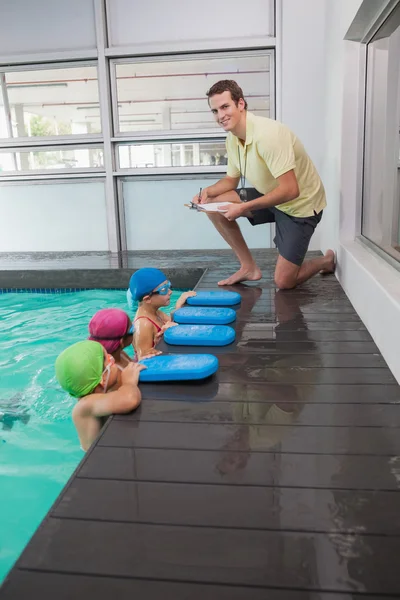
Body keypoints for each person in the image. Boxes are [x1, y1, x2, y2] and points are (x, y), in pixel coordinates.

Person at [192, 80, 335, 288]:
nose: (220, 115)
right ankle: (248, 268)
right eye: (215, 111)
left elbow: (291, 190)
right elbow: (231, 180)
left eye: (225, 107)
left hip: (300, 205)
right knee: (213, 204)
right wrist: (207, 192)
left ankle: (325, 261)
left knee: (284, 282)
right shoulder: (232, 139)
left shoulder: (268, 135)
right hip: (272, 196)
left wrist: (243, 207)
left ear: (240, 104)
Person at [55, 340, 145, 451]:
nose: (111, 357)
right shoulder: (86, 404)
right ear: (102, 379)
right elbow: (130, 399)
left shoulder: (97, 393)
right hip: (97, 461)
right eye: (106, 358)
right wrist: (129, 382)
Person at [129, 268, 196, 359]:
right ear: (147, 299)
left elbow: (174, 324)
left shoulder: (156, 312)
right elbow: (143, 361)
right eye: (164, 290)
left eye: (169, 286)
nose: (170, 292)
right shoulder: (143, 324)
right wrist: (159, 341)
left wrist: (179, 304)